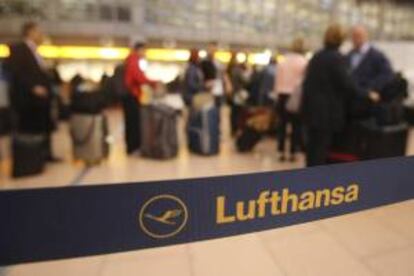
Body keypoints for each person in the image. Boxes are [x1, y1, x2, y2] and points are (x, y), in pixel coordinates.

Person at [302, 24, 380, 167]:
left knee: (312, 149)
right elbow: (347, 85)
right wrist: (367, 94)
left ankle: (309, 179)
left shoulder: (317, 56)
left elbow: (307, 84)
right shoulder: (337, 58)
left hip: (311, 111)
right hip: (326, 114)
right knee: (321, 150)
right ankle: (316, 183)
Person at [7, 21, 59, 162]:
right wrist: (32, 87)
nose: (41, 34)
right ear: (30, 32)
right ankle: (31, 158)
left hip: (41, 100)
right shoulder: (18, 49)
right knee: (30, 129)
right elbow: (16, 72)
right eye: (38, 31)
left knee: (43, 127)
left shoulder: (37, 52)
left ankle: (44, 155)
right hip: (27, 100)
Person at [347, 25, 393, 119]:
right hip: (352, 101)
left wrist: (372, 88)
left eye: (359, 36)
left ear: (366, 36)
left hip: (368, 103)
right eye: (354, 36)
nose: (356, 39)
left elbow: (387, 74)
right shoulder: (349, 55)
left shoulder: (377, 56)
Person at [275, 38, 308, 162]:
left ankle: (281, 151)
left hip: (282, 95)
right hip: (296, 97)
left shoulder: (282, 61)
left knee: (282, 125)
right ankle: (293, 152)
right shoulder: (303, 62)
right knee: (296, 126)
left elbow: (277, 81)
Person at [123, 42, 156, 155]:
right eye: (144, 51)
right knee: (134, 122)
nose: (145, 53)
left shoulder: (130, 60)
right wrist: (153, 82)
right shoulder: (133, 60)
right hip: (132, 95)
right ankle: (133, 148)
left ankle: (131, 147)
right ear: (139, 50)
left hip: (130, 95)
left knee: (131, 122)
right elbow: (139, 78)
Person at [226, 52, 249, 135]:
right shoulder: (237, 70)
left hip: (232, 93)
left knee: (233, 112)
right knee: (238, 112)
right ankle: (237, 128)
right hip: (238, 93)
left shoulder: (229, 70)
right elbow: (245, 81)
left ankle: (233, 129)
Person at [200, 42, 224, 106]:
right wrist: (205, 83)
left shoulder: (217, 62)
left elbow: (221, 74)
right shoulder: (204, 62)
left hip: (218, 88)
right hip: (208, 89)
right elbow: (201, 76)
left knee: (217, 106)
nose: (212, 51)